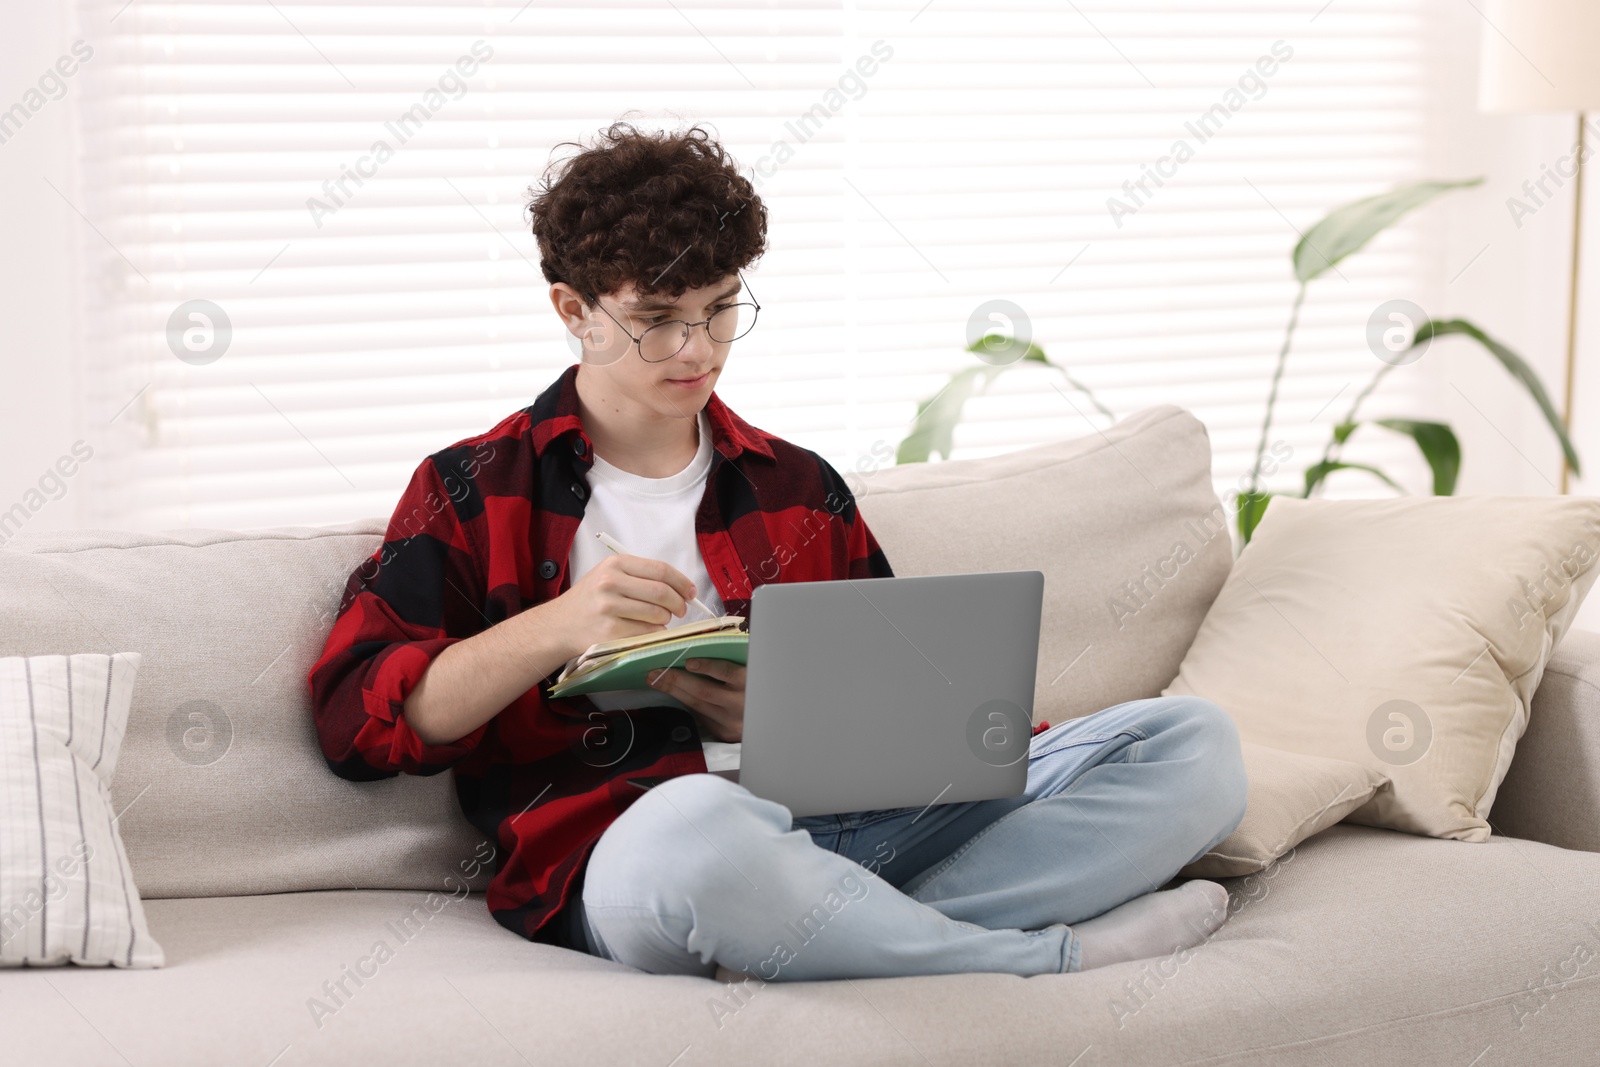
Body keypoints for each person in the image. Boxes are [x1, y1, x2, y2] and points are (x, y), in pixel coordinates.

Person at [309, 121, 1248, 982]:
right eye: (659, 316)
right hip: (641, 848)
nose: (698, 348)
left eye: (721, 309)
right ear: (575, 308)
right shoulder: (471, 486)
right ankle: (1044, 954)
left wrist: (774, 716)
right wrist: (557, 627)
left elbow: (910, 715)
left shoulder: (797, 486)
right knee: (699, 827)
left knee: (1191, 745)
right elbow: (360, 725)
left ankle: (829, 933)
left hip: (855, 827)